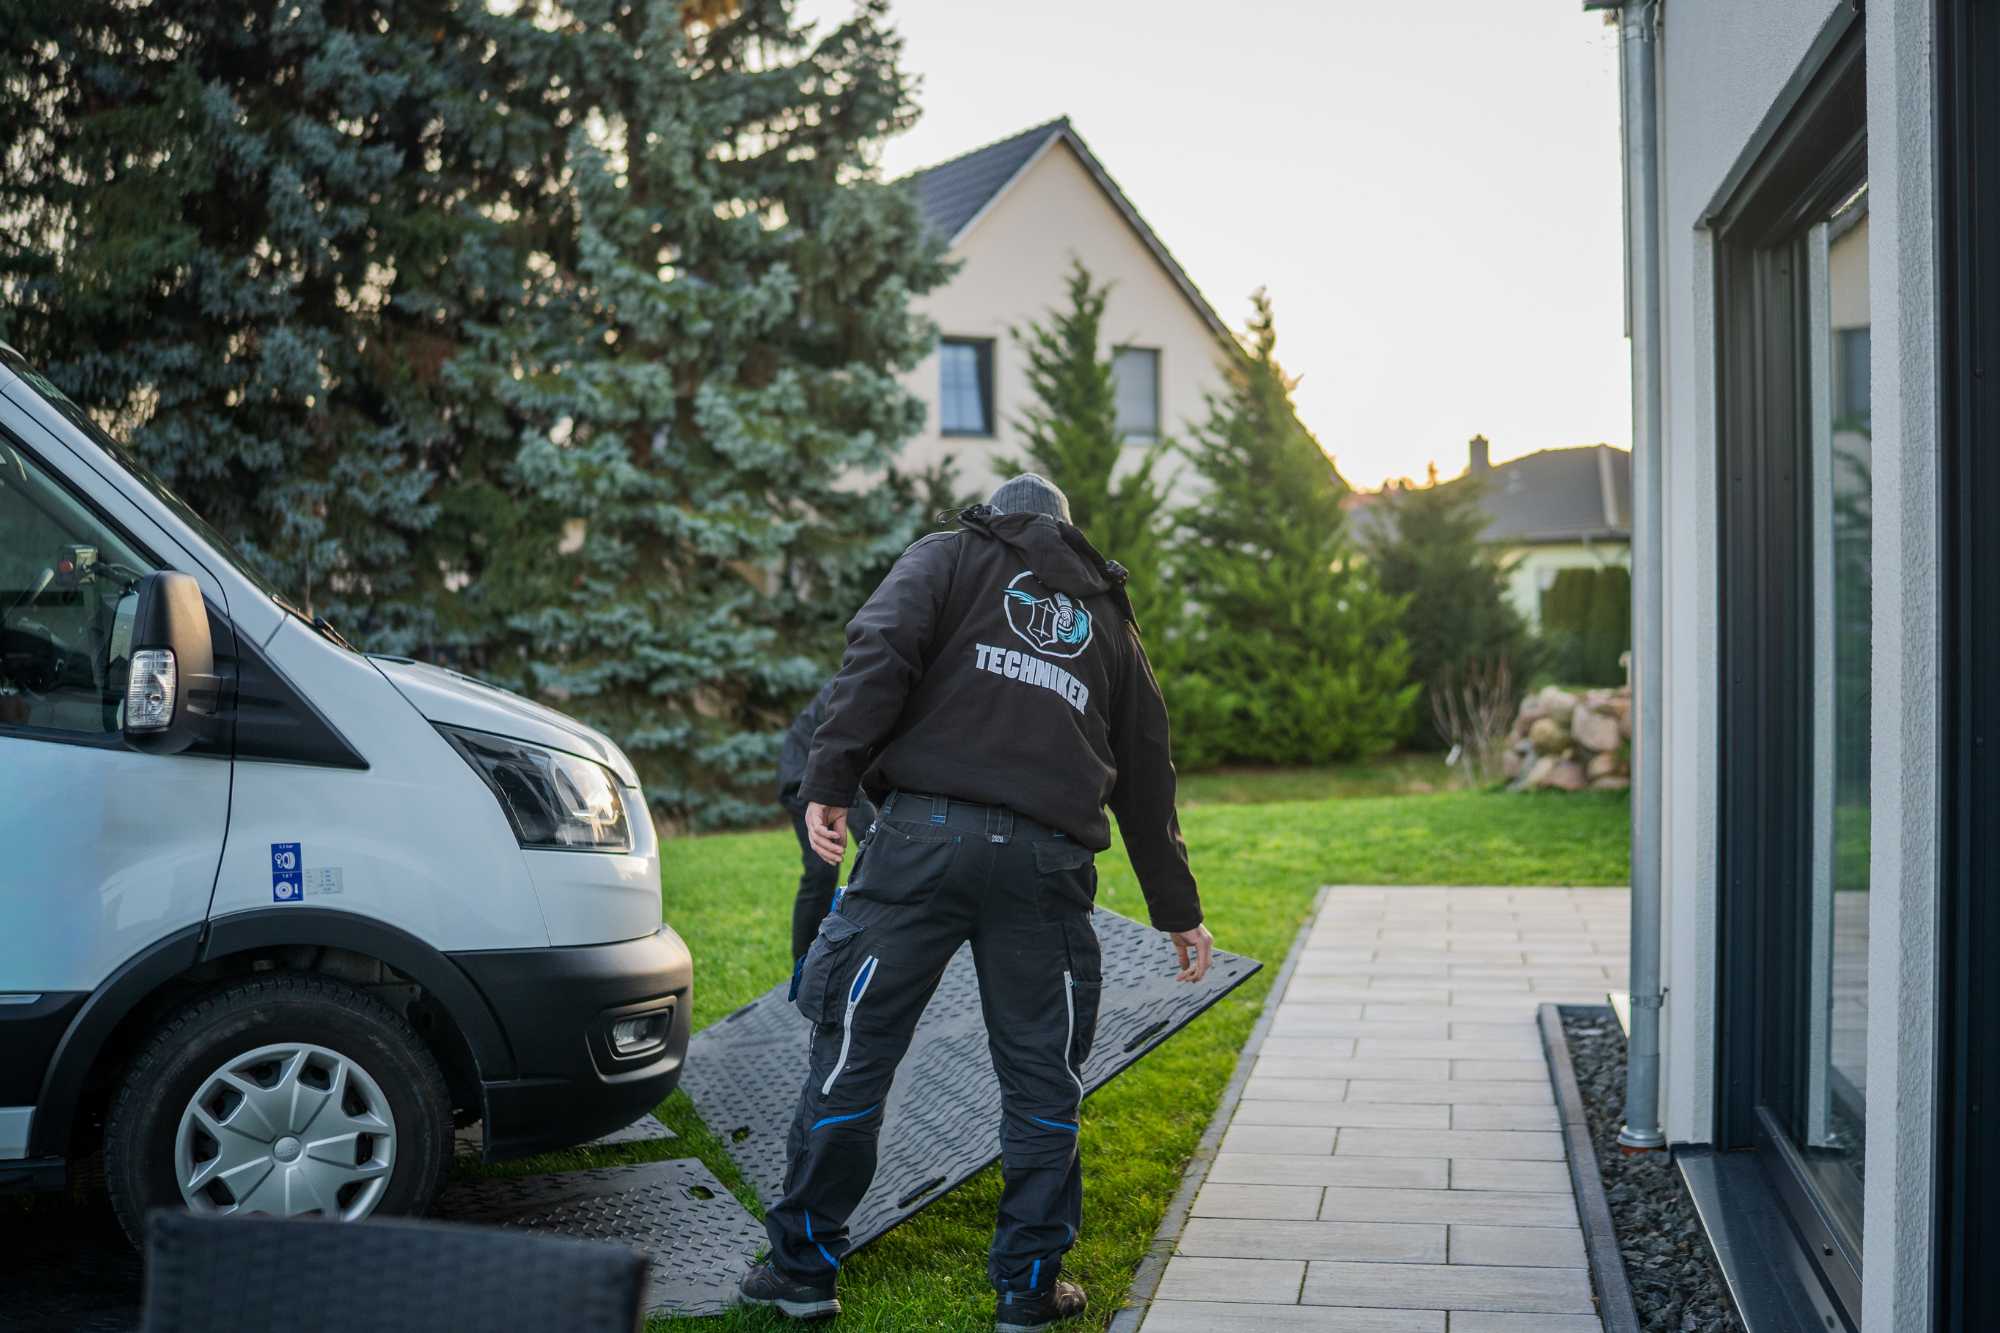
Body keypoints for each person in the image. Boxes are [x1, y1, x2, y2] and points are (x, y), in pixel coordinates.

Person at [739, 474, 1214, 1332]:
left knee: (854, 1057)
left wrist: (830, 779)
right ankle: (1028, 1289)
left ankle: (802, 1269)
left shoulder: (947, 557)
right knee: (1042, 1081)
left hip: (920, 846)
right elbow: (1147, 764)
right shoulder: (1107, 615)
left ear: (996, 515)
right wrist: (1177, 906)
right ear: (1064, 530)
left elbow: (879, 651)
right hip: (1046, 864)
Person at [778, 680, 877, 961]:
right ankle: (804, 963)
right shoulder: (866, 675)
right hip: (807, 774)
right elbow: (847, 740)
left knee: (878, 854)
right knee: (822, 871)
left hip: (842, 773)